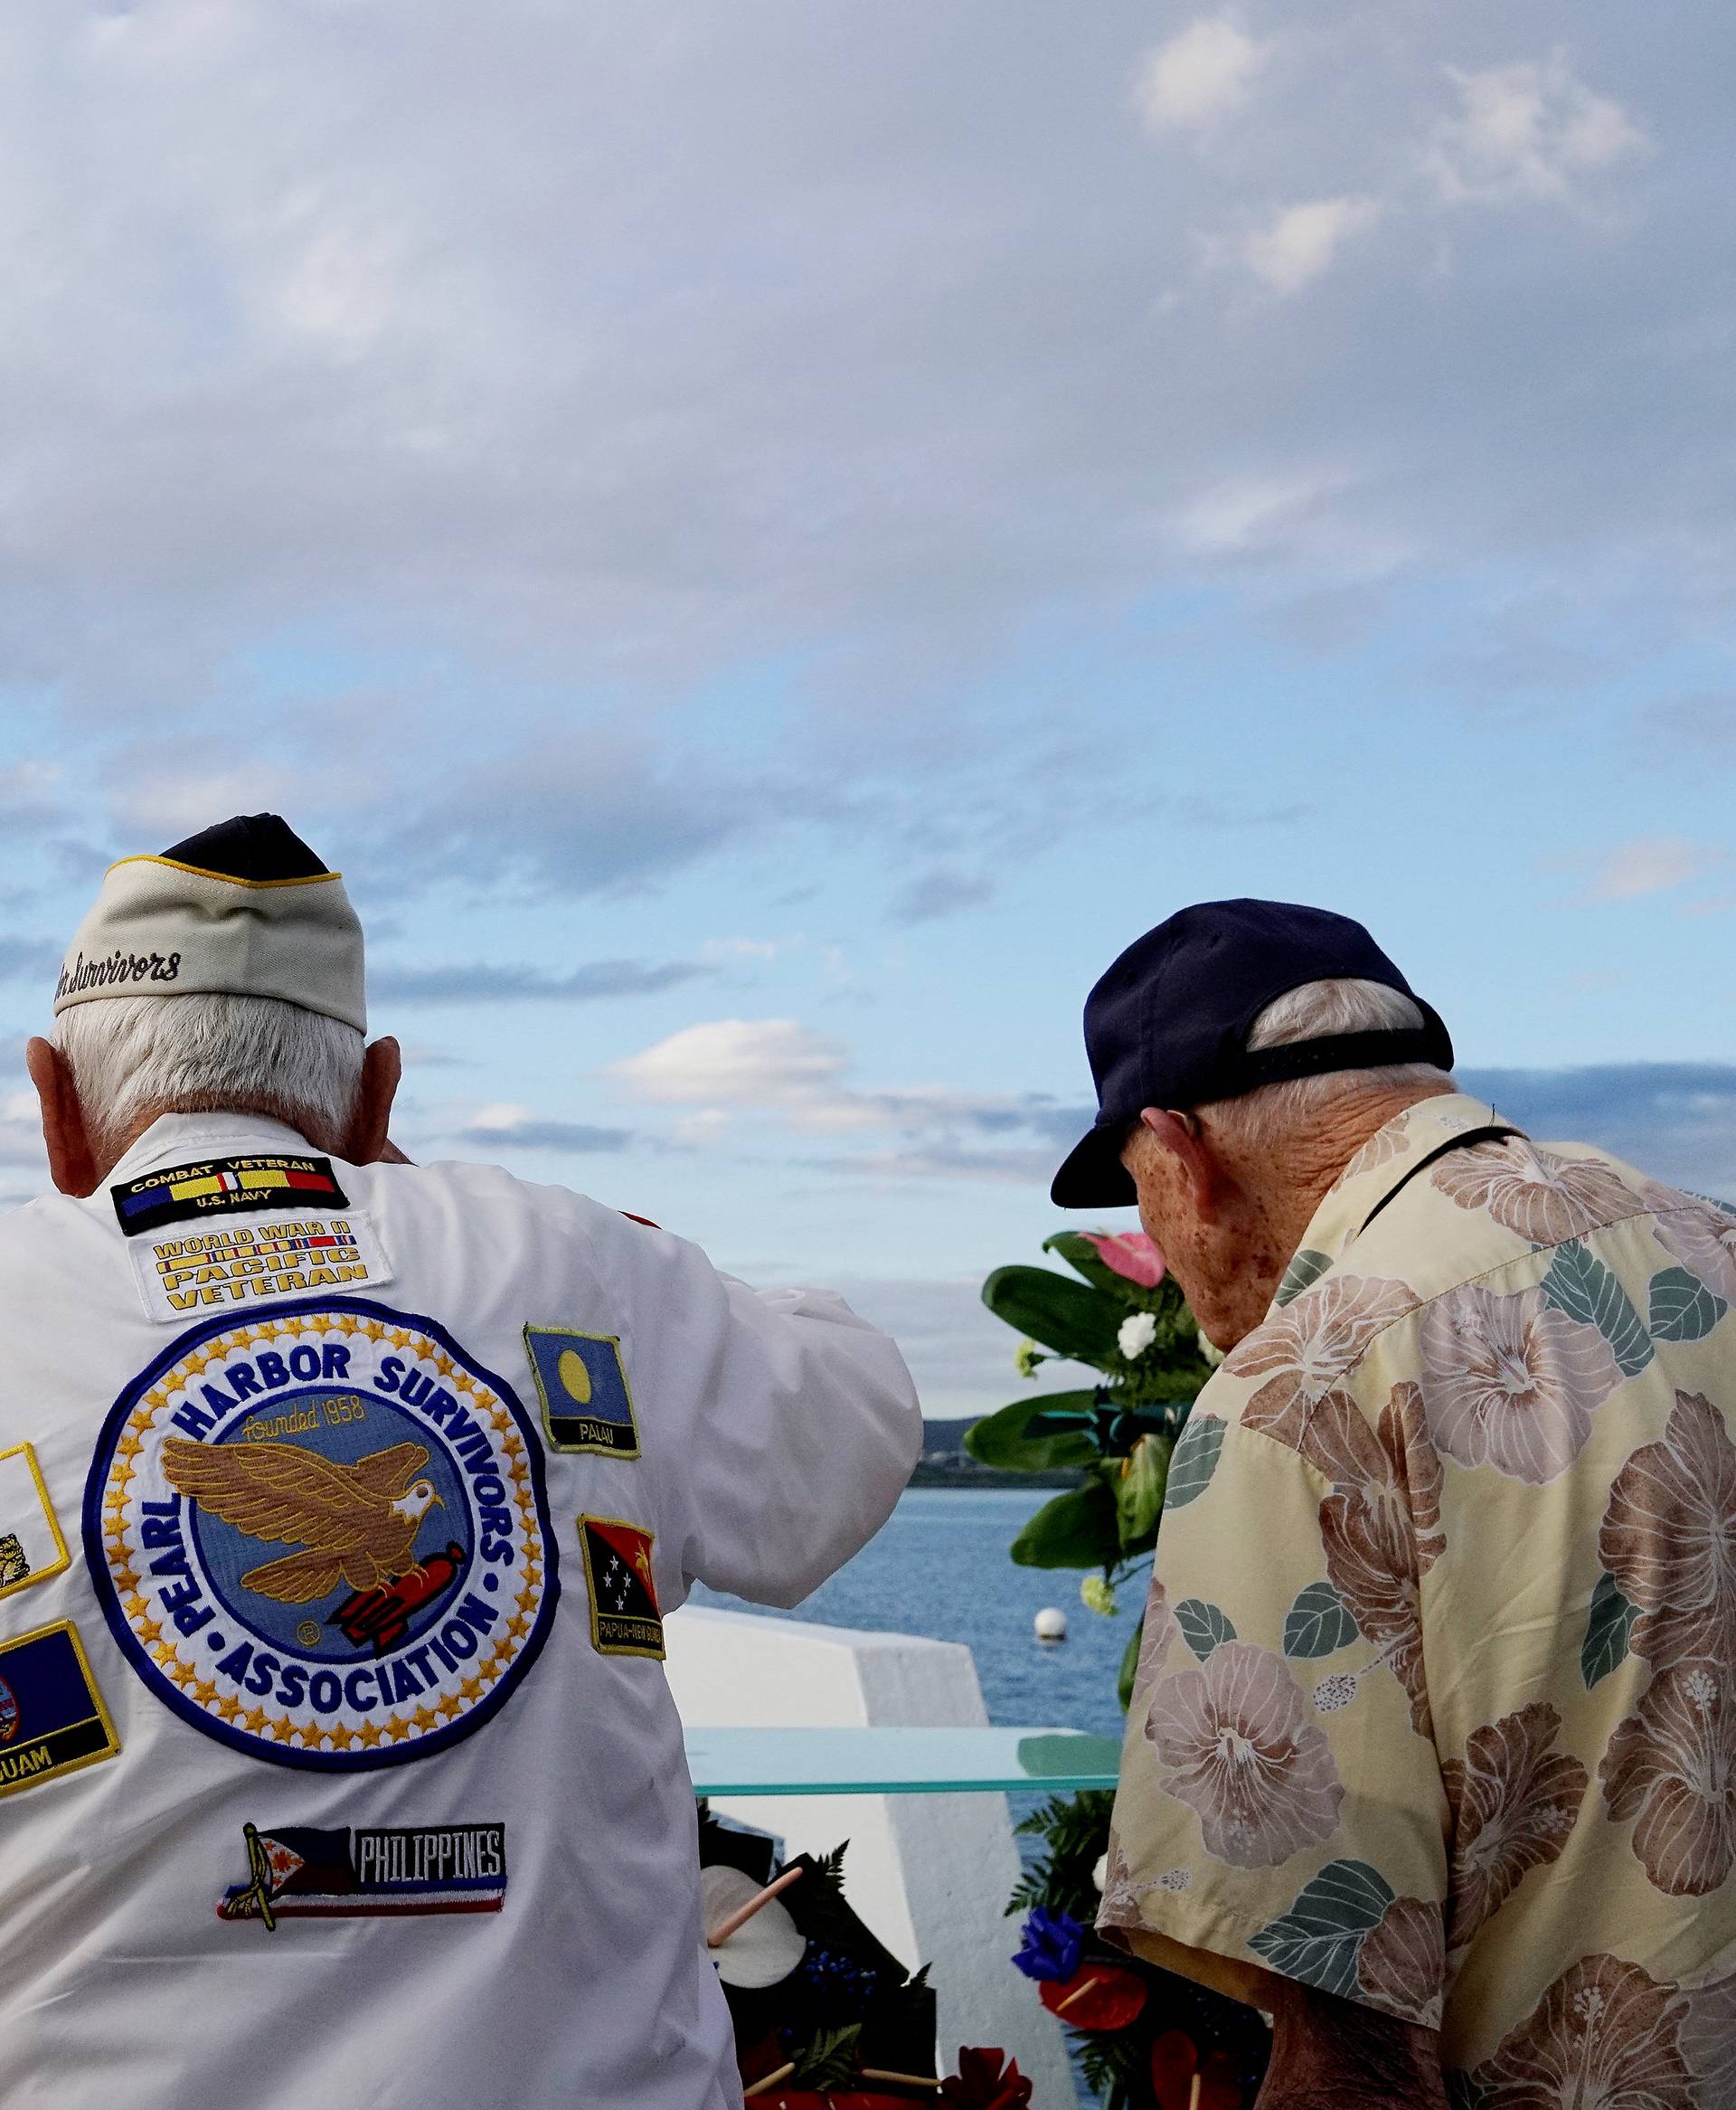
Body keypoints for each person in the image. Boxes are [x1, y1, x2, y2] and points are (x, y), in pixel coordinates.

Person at [0, 814, 920, 2110]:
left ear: (55, 1107)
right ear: (379, 1094)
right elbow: (857, 1426)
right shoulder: (569, 1264)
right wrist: (640, 1266)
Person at [1052, 899, 1736, 2109]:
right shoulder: (1715, 1247)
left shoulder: (1296, 1392)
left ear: (1182, 1149)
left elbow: (1355, 2057)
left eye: (1136, 1193)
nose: (1152, 1238)